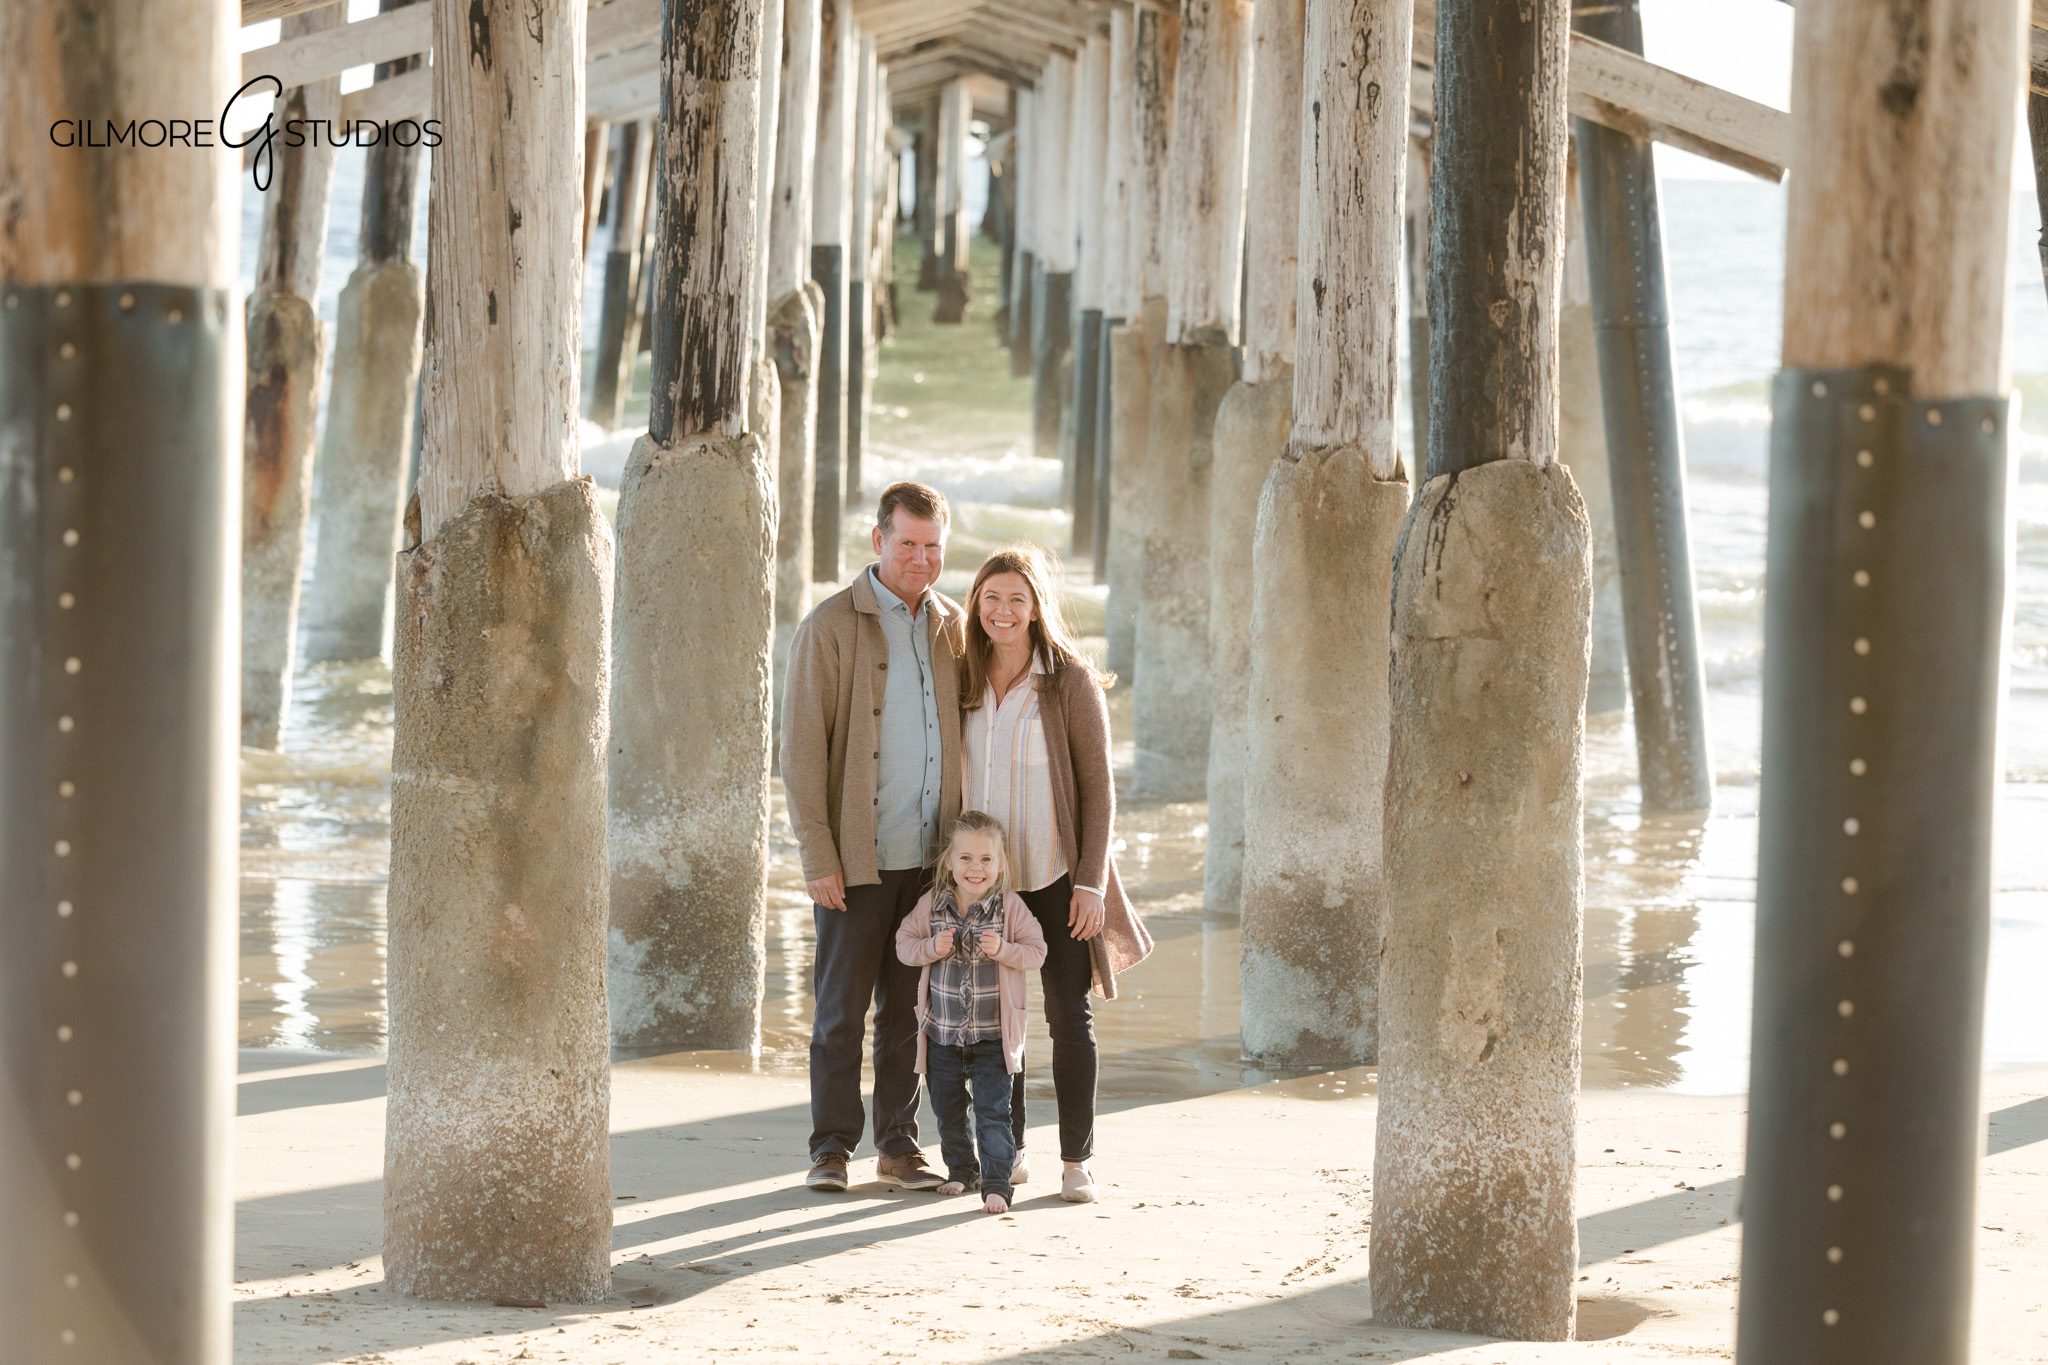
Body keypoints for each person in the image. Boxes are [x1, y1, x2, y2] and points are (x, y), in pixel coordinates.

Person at [781, 482, 964, 1193]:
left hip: (930, 863)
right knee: (839, 1013)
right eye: (907, 543)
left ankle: (897, 1145)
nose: (920, 558)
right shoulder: (830, 624)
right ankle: (830, 1148)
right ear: (878, 540)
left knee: (908, 1014)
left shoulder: (952, 627)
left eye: (933, 546)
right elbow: (800, 753)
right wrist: (818, 855)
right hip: (856, 860)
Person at [959, 543, 1153, 1204]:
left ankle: (1077, 1160)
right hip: (987, 885)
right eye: (992, 597)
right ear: (977, 604)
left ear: (1037, 605)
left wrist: (1092, 883)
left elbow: (1099, 792)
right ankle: (1007, 1152)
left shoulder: (1066, 679)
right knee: (998, 1022)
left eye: (1017, 598)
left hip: (1055, 877)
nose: (1003, 610)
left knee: (1067, 1014)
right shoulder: (963, 673)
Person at [894, 810, 1048, 1214]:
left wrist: (1006, 951)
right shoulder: (933, 905)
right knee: (947, 1110)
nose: (975, 868)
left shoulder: (1010, 908)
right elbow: (903, 944)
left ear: (1000, 867)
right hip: (942, 1033)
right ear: (948, 861)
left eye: (986, 860)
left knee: (992, 1113)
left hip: (993, 1035)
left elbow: (1038, 951)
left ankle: (997, 1184)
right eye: (965, 858)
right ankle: (962, 1170)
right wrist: (931, 948)